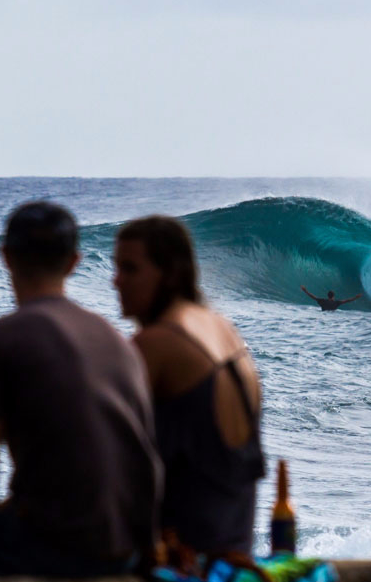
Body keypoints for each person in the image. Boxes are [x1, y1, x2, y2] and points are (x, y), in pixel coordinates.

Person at [0, 201, 161, 576]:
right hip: (129, 545)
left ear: (6, 257)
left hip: (60, 549)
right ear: (74, 262)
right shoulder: (116, 341)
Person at [113, 215, 265, 556]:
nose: (116, 281)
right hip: (235, 554)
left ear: (170, 274)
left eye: (130, 269)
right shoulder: (225, 332)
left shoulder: (156, 343)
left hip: (181, 563)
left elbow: (105, 458)